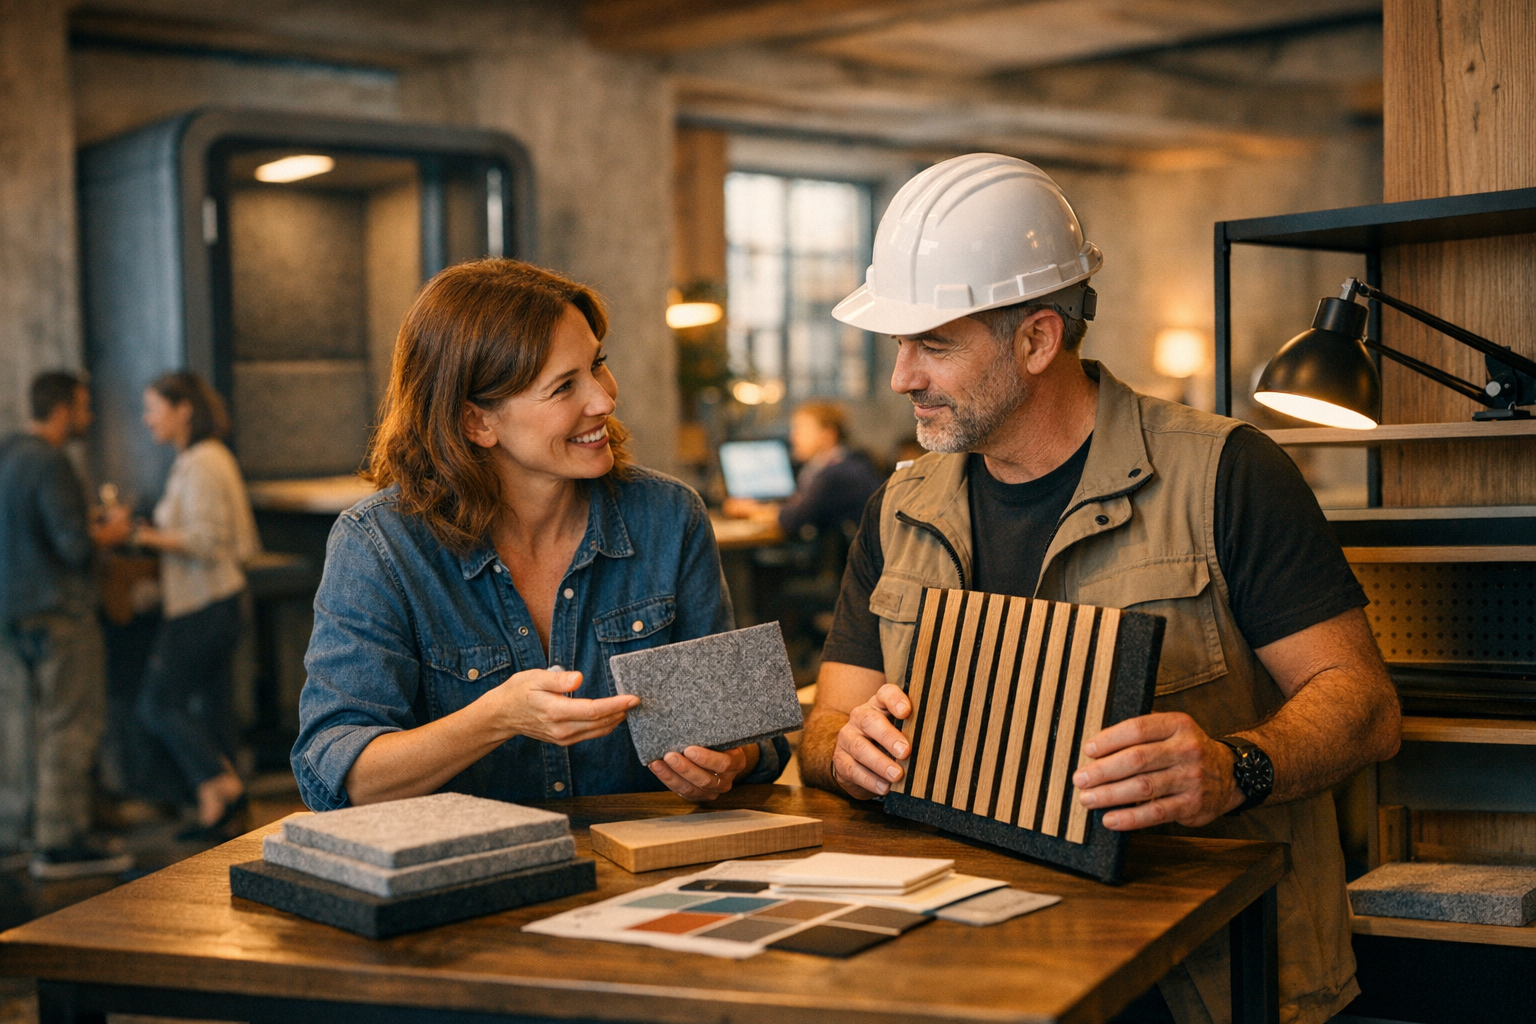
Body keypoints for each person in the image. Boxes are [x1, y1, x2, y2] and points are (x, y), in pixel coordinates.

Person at [798, 155, 1401, 1024]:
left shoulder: (1226, 471)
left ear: (1038, 340)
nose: (902, 378)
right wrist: (844, 750)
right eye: (898, 344)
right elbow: (827, 724)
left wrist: (1238, 768)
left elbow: (1364, 705)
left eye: (934, 344)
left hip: (1199, 973)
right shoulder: (901, 505)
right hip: (963, 964)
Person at [291, 259, 789, 810]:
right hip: (471, 881)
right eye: (563, 387)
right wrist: (496, 718)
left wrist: (730, 762)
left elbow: (751, 736)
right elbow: (338, 775)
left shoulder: (669, 516)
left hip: (647, 867)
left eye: (598, 365)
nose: (603, 399)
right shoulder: (379, 546)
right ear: (476, 422)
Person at [0, 371, 134, 879]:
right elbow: (74, 545)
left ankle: (30, 829)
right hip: (60, 612)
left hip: (14, 613)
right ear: (61, 410)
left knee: (33, 724)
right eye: (83, 407)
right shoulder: (51, 462)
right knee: (69, 726)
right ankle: (61, 844)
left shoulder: (9, 454)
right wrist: (112, 531)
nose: (89, 416)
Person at [131, 371, 260, 840]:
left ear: (183, 409)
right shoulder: (194, 459)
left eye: (153, 408)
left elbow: (209, 540)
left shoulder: (204, 461)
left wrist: (139, 535)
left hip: (207, 603)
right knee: (209, 709)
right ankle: (220, 809)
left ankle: (218, 784)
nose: (146, 419)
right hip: (208, 603)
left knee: (157, 704)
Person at [723, 402, 884, 540]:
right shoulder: (843, 463)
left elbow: (794, 518)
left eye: (801, 430)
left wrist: (751, 509)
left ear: (827, 434)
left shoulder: (836, 474)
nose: (794, 438)